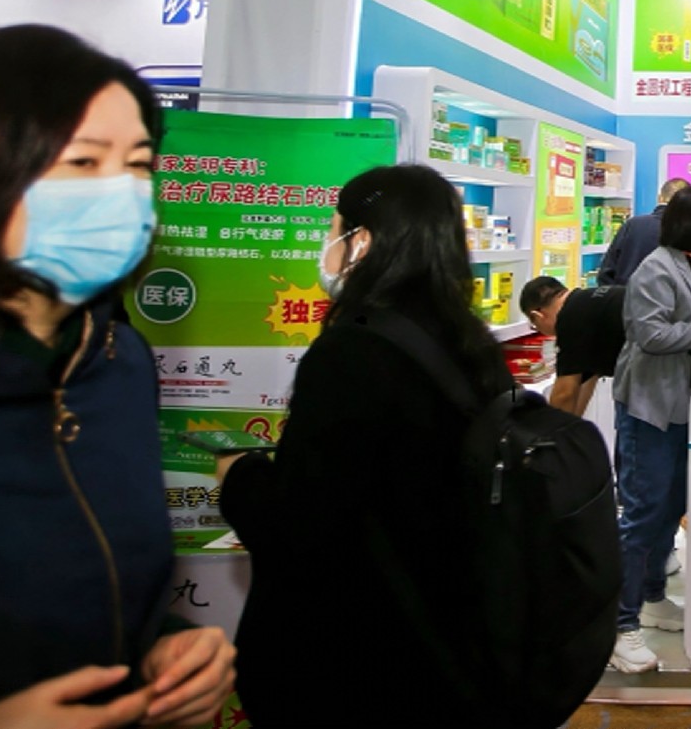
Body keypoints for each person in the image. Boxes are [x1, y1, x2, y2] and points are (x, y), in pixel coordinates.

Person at [0, 25, 235, 727]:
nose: (121, 192)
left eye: (138, 163)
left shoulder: (117, 361)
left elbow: (104, 587)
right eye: (83, 161)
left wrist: (164, 650)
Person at [220, 165, 515, 726]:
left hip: (353, 654)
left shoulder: (352, 354)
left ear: (364, 241)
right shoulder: (473, 345)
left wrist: (239, 475)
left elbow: (299, 524)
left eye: (334, 228)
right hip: (450, 641)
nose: (327, 243)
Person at [609, 185, 691, 674]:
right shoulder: (655, 269)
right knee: (643, 511)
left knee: (670, 505)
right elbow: (652, 334)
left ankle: (653, 598)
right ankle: (620, 625)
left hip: (686, 406)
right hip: (650, 407)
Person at [524, 275, 625, 416]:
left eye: (535, 326)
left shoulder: (569, 318)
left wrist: (551, 428)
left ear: (538, 316)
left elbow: (564, 394)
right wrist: (574, 425)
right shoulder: (587, 302)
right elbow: (586, 379)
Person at [598, 177, 689, 286]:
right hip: (668, 295)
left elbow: (607, 271)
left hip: (625, 293)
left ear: (659, 198)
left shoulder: (633, 224)